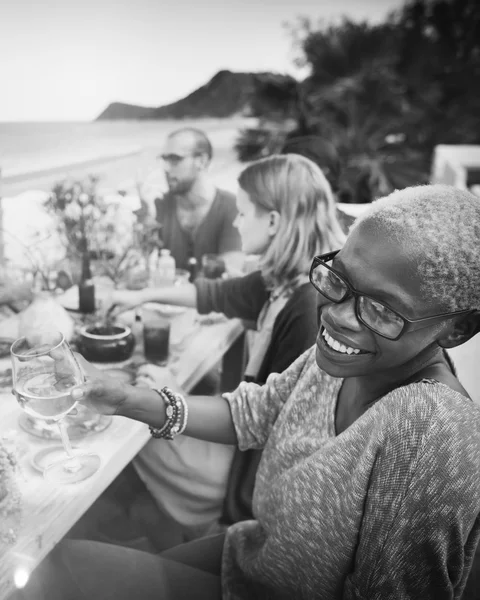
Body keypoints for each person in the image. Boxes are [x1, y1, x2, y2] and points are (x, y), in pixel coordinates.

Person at [19, 184, 480, 600]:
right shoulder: (339, 361)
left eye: (380, 310)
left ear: (456, 329)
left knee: (60, 571)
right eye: (337, 280)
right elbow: (253, 412)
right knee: (71, 564)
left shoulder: (431, 431)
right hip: (252, 554)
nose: (337, 315)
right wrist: (120, 398)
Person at [98, 154, 346, 548]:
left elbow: (272, 425)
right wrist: (138, 294)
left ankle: (181, 538)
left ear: (273, 222)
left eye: (242, 212)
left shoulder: (304, 310)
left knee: (129, 424)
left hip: (248, 473)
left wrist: (173, 394)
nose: (234, 221)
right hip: (247, 447)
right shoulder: (282, 282)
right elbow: (213, 294)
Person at [155, 127, 243, 273]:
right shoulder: (160, 206)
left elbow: (227, 277)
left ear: (201, 161)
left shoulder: (232, 207)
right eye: (164, 159)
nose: (166, 168)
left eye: (175, 159)